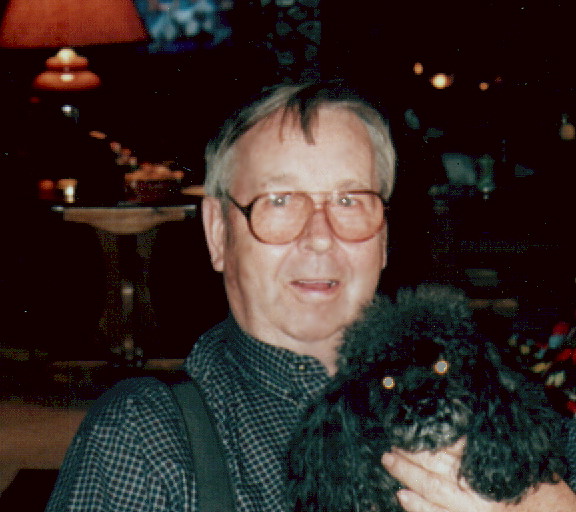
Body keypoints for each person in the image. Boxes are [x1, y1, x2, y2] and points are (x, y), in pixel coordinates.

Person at [46, 82, 576, 512]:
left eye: (349, 199)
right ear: (217, 231)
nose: (320, 235)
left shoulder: (505, 400)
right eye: (279, 200)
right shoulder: (146, 440)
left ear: (384, 235)